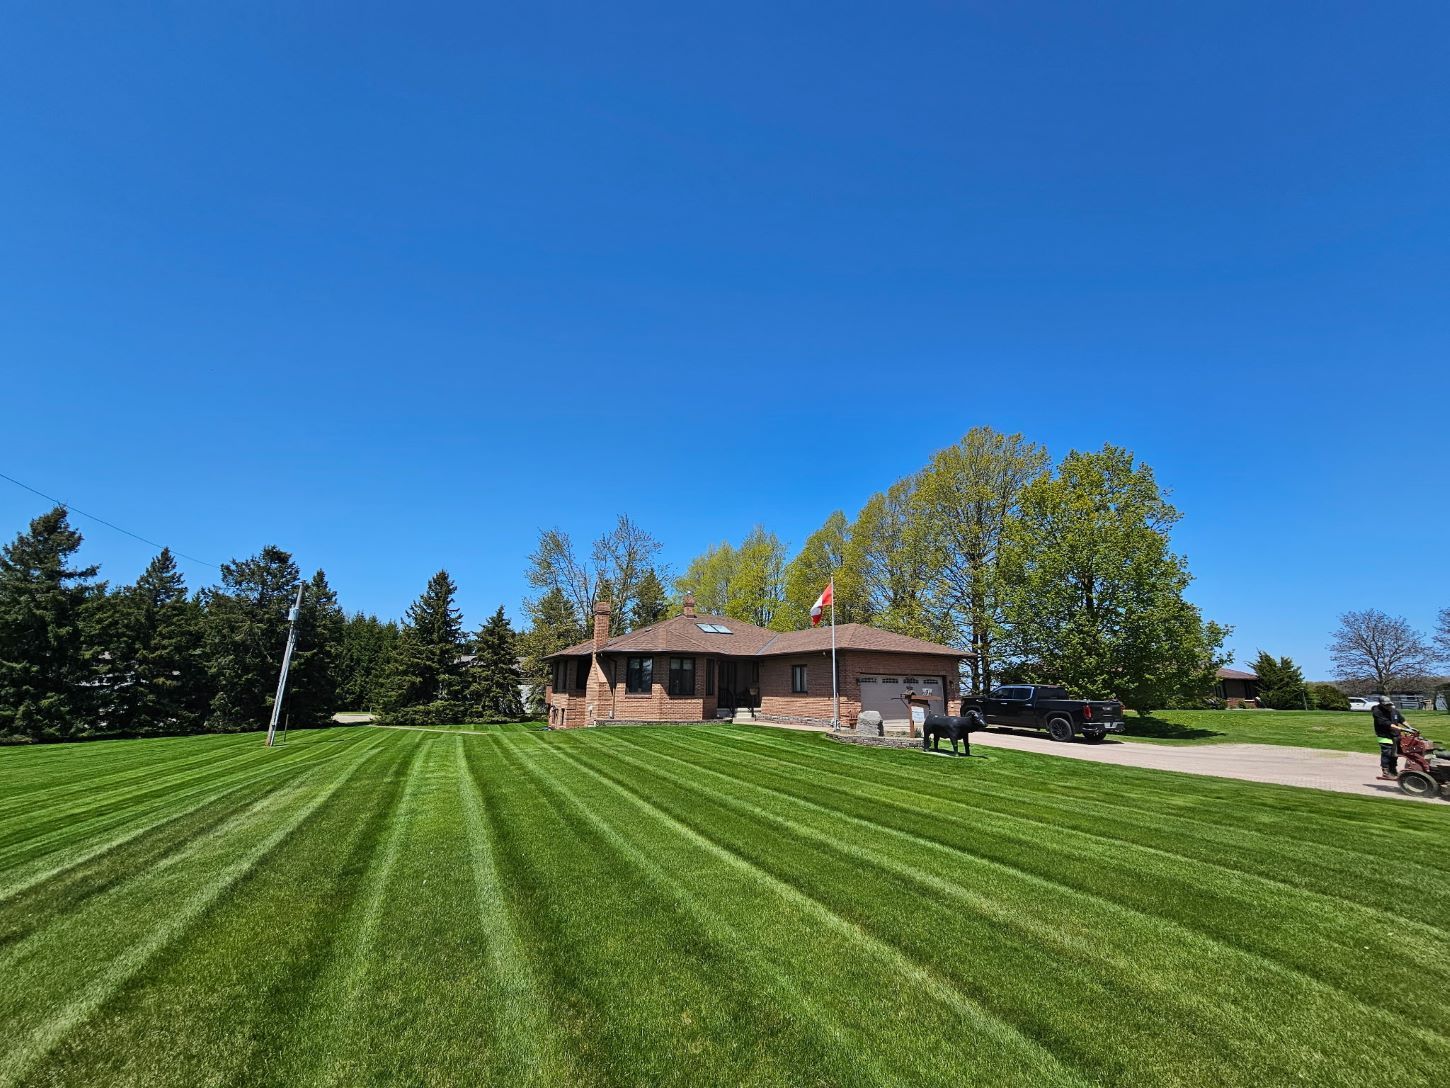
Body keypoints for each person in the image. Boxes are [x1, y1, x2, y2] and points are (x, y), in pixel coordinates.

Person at [1371, 695, 1406, 780]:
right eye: (1386, 705)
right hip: (1384, 736)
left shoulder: (1393, 710)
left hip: (1395, 736)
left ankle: (1393, 770)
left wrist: (1410, 728)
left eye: (1389, 704)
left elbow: (1402, 720)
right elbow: (1387, 724)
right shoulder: (1377, 712)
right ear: (1381, 704)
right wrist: (1401, 729)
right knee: (1387, 753)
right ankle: (1386, 772)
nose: (1388, 706)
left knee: (1395, 754)